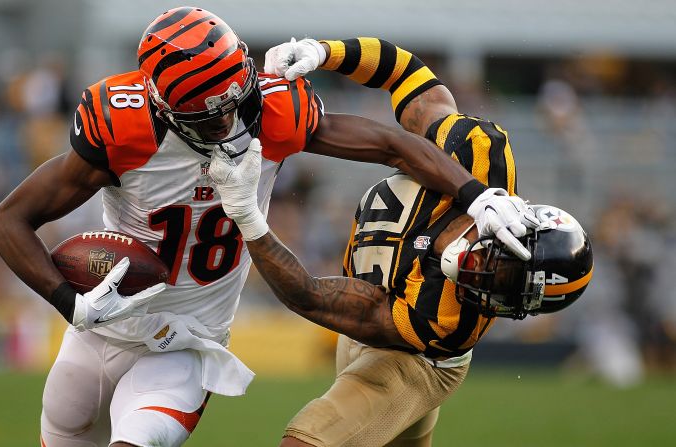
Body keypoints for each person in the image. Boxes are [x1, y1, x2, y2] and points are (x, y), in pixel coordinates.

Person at [0, 10, 533, 446]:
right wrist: (69, 301)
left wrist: (477, 195)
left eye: (236, 99)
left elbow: (392, 143)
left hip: (188, 340)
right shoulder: (120, 127)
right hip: (100, 328)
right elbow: (7, 222)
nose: (232, 120)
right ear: (165, 106)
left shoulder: (272, 111)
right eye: (212, 115)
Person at [197, 36, 594, 446]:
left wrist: (247, 215)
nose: (493, 281)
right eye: (511, 267)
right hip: (369, 333)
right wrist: (326, 52)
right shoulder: (477, 154)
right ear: (520, 222)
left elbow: (311, 297)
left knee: (306, 440)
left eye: (509, 293)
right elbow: (406, 75)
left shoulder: (448, 320)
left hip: (413, 361)